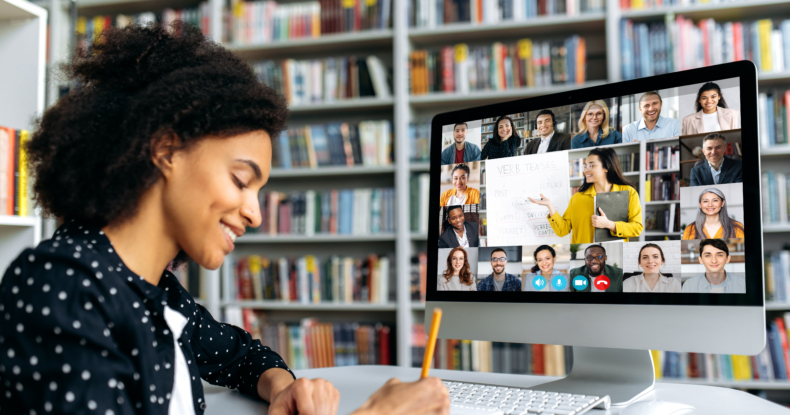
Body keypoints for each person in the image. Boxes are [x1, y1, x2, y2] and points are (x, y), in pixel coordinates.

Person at [0, 23, 450, 415]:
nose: (255, 214)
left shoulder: (155, 290)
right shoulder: (63, 283)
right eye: (240, 180)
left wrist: (281, 386)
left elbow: (240, 356)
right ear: (166, 150)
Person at [530, 147, 643, 244]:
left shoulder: (629, 192)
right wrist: (550, 206)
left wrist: (609, 224)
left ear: (606, 167)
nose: (585, 170)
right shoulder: (577, 198)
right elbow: (562, 231)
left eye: (591, 165)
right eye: (585, 166)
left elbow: (637, 228)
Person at [681, 239, 746, 293]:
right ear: (700, 260)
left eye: (719, 255)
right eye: (708, 255)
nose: (714, 261)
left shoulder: (742, 284)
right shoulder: (689, 286)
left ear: (727, 259)